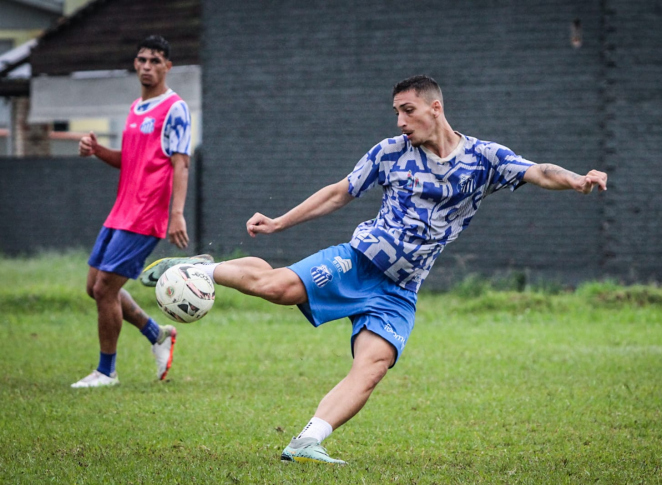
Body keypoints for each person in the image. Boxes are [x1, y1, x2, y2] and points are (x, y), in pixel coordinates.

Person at [141, 75, 608, 462]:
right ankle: (202, 268)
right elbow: (339, 192)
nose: (400, 121)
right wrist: (281, 221)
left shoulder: (484, 159)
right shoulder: (389, 152)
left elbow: (540, 170)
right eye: (396, 113)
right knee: (277, 288)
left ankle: (306, 441)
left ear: (435, 108)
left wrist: (578, 181)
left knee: (373, 365)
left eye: (407, 110)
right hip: (360, 260)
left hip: (401, 290)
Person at [71, 35, 199, 388]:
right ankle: (157, 334)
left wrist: (176, 213)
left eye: (155, 61)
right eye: (142, 60)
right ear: (135, 63)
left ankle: (106, 371)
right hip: (120, 211)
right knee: (94, 287)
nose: (147, 66)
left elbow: (181, 163)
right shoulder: (135, 108)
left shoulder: (175, 108)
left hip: (146, 215)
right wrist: (97, 150)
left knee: (105, 290)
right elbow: (128, 161)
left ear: (167, 67)